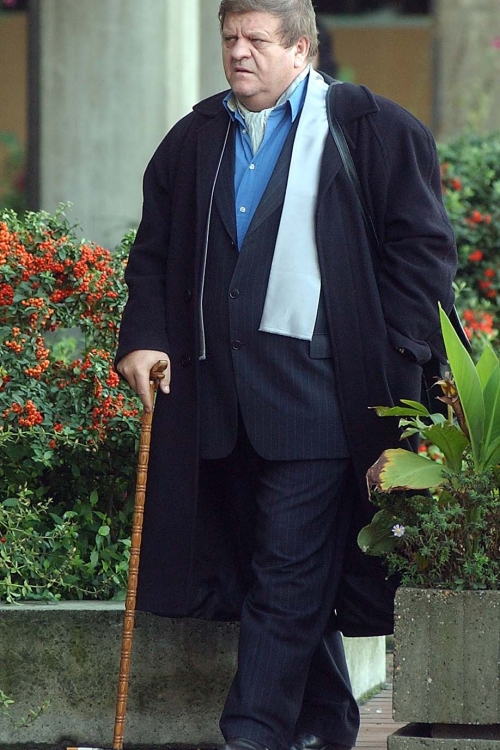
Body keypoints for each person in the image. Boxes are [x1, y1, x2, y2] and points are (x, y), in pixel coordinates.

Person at [115, 1, 457, 749]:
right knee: (271, 572)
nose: (239, 52)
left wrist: (399, 369)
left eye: (257, 40)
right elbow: (154, 255)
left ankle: (252, 734)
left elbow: (422, 261)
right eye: (229, 38)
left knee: (285, 571)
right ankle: (325, 725)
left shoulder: (373, 131)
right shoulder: (195, 139)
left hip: (323, 398)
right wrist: (142, 339)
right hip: (217, 400)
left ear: (301, 48)